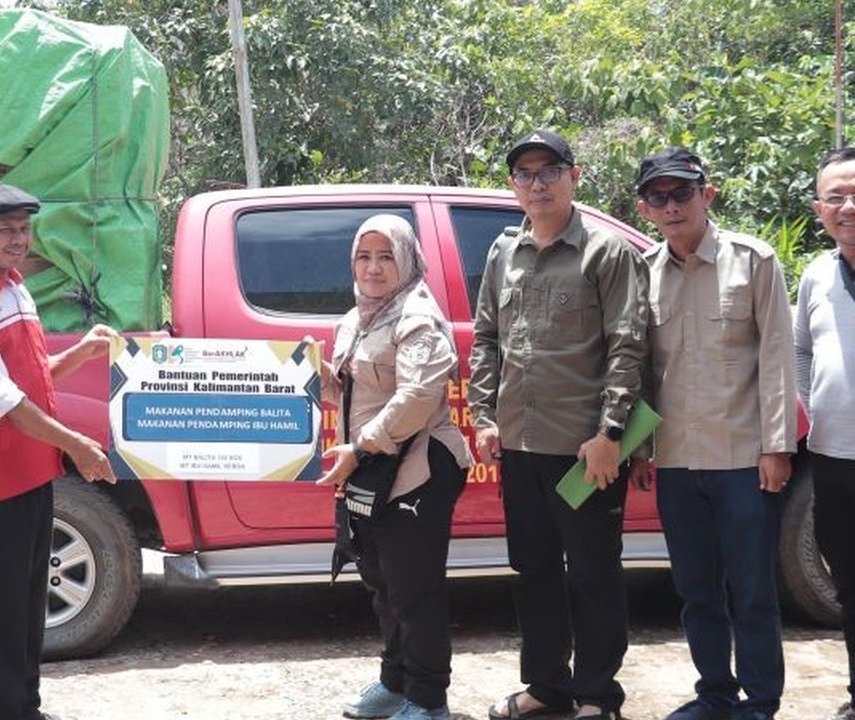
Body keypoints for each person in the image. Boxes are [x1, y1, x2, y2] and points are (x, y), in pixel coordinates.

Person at [468, 130, 649, 720]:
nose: (538, 183)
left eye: (550, 170)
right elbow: (487, 339)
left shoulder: (606, 251)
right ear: (513, 184)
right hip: (519, 446)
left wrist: (612, 436)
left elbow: (629, 347)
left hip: (585, 451)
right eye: (525, 173)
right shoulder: (503, 251)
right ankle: (546, 687)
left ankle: (598, 694)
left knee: (594, 574)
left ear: (575, 176)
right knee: (534, 570)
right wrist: (485, 416)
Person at [0, 183, 117, 720]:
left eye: (24, 228)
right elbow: (2, 400)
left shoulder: (15, 288)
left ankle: (25, 707)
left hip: (33, 472)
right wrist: (78, 444)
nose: (18, 239)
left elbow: (31, 383)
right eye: (5, 229)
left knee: (29, 605)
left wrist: (81, 352)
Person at [626, 148, 794, 720]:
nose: (671, 207)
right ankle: (714, 695)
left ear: (708, 194)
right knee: (697, 592)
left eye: (681, 193)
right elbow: (644, 371)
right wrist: (641, 449)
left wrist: (777, 445)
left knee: (751, 591)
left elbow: (776, 358)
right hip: (675, 462)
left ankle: (760, 701)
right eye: (658, 197)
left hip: (745, 459)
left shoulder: (753, 261)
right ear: (644, 208)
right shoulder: (644, 272)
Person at [316, 214, 473, 720]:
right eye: (364, 256)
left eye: (386, 256)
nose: (374, 267)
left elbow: (416, 398)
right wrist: (306, 372)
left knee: (414, 589)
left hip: (419, 467)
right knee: (382, 584)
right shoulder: (357, 317)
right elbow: (356, 388)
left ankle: (429, 699)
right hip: (372, 471)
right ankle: (395, 681)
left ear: (406, 260)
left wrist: (358, 451)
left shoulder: (416, 317)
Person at [797, 146, 855, 720]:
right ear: (820, 209)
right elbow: (800, 352)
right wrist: (818, 410)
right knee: (849, 583)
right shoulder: (816, 276)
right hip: (834, 459)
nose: (847, 206)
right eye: (835, 197)